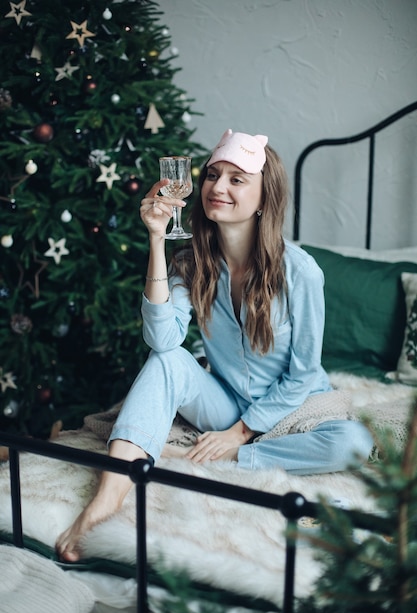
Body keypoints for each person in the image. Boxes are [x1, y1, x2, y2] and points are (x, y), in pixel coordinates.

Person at [56, 129, 373, 561]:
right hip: (224, 399)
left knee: (350, 443)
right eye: (212, 175)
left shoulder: (301, 272)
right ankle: (107, 497)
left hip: (291, 408)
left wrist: (238, 438)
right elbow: (162, 339)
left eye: (237, 179)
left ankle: (215, 456)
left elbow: (301, 374)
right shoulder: (192, 262)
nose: (217, 187)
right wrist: (156, 239)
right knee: (168, 359)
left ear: (264, 199)